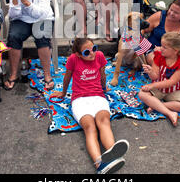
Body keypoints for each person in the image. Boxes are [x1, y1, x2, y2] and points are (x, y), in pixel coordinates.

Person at [50, 37, 129, 174]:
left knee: (104, 121)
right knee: (90, 127)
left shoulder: (99, 56)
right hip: (79, 100)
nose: (92, 53)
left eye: (94, 48)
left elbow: (102, 74)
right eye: (87, 52)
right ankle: (100, 164)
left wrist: (104, 88)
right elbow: (67, 77)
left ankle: (113, 153)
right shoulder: (73, 59)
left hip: (98, 96)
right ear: (79, 54)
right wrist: (63, 93)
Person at [5, 0, 54, 90]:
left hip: (41, 18)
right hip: (22, 20)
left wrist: (26, 3)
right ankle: (14, 73)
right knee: (14, 36)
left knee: (42, 35)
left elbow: (42, 14)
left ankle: (47, 75)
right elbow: (14, 16)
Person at [138, 32, 180, 126]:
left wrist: (152, 85)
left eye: (164, 47)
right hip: (158, 90)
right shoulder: (158, 56)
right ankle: (169, 112)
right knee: (142, 94)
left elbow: (172, 82)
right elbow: (155, 76)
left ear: (175, 51)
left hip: (173, 90)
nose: (160, 48)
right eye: (161, 45)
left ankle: (158, 106)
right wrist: (150, 71)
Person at [142, 0, 180, 75]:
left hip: (178, 55)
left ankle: (167, 71)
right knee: (153, 58)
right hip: (155, 52)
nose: (171, 13)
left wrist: (170, 54)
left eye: (176, 12)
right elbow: (142, 29)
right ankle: (174, 72)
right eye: (171, 9)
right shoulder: (160, 16)